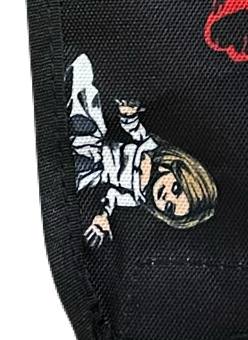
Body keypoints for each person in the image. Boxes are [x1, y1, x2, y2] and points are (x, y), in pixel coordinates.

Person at [66, 53, 217, 241]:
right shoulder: (150, 149)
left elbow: (112, 195)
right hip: (96, 142)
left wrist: (103, 216)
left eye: (169, 206)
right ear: (180, 170)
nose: (167, 196)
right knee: (82, 89)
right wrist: (128, 114)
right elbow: (134, 129)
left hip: (92, 172)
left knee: (66, 175)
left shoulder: (137, 197)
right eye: (176, 189)